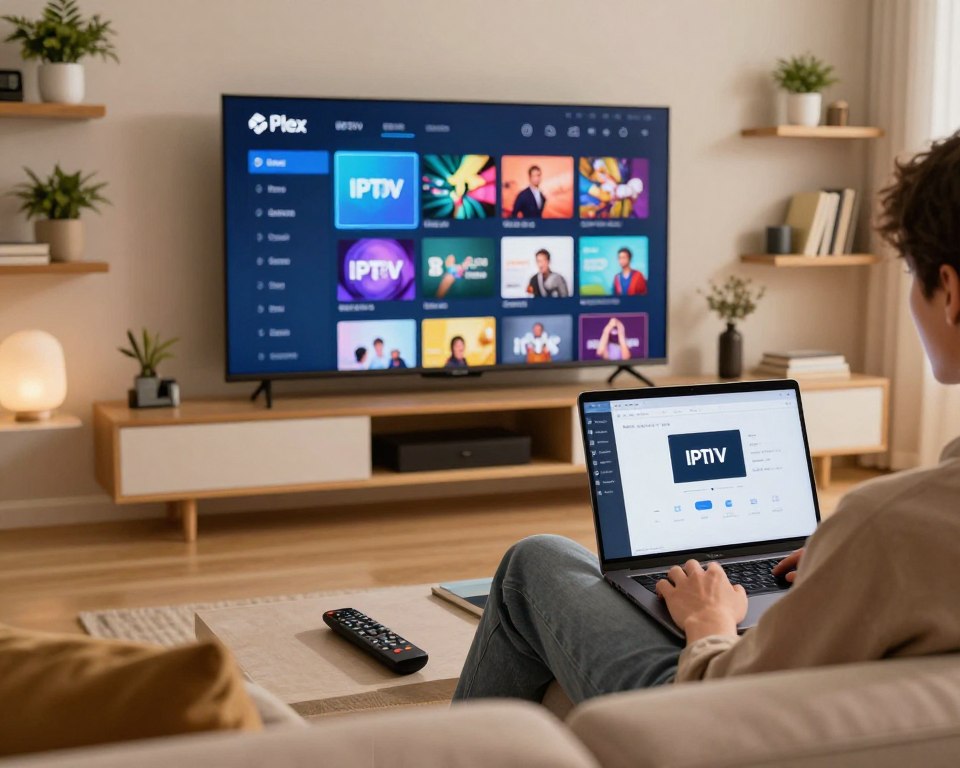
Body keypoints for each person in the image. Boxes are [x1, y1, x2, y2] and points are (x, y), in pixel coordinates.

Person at [454, 131, 960, 704]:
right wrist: (842, 563)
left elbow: (725, 704)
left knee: (536, 560)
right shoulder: (891, 529)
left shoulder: (888, 524)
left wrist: (710, 621)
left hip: (703, 712)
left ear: (949, 292)